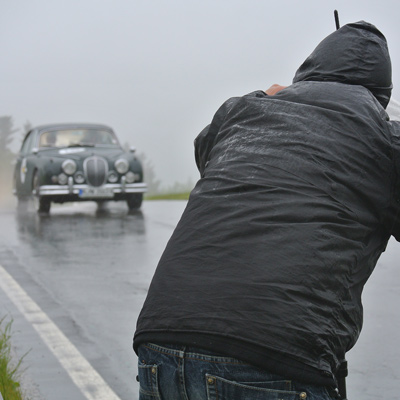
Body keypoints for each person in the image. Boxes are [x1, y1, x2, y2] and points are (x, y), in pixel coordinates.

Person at [133, 20, 400, 400]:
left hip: (159, 344)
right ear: (382, 94)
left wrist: (262, 97)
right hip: (274, 358)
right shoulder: (384, 139)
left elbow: (208, 151)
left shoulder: (243, 111)